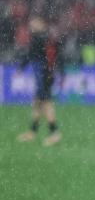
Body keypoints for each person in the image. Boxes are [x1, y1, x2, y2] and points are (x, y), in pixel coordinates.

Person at [16, 16, 63, 147]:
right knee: (37, 103)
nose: (32, 24)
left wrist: (21, 67)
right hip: (46, 74)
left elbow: (30, 54)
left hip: (44, 75)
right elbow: (57, 55)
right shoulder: (48, 38)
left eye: (35, 22)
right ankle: (32, 132)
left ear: (42, 24)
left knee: (46, 104)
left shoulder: (39, 38)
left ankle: (55, 133)